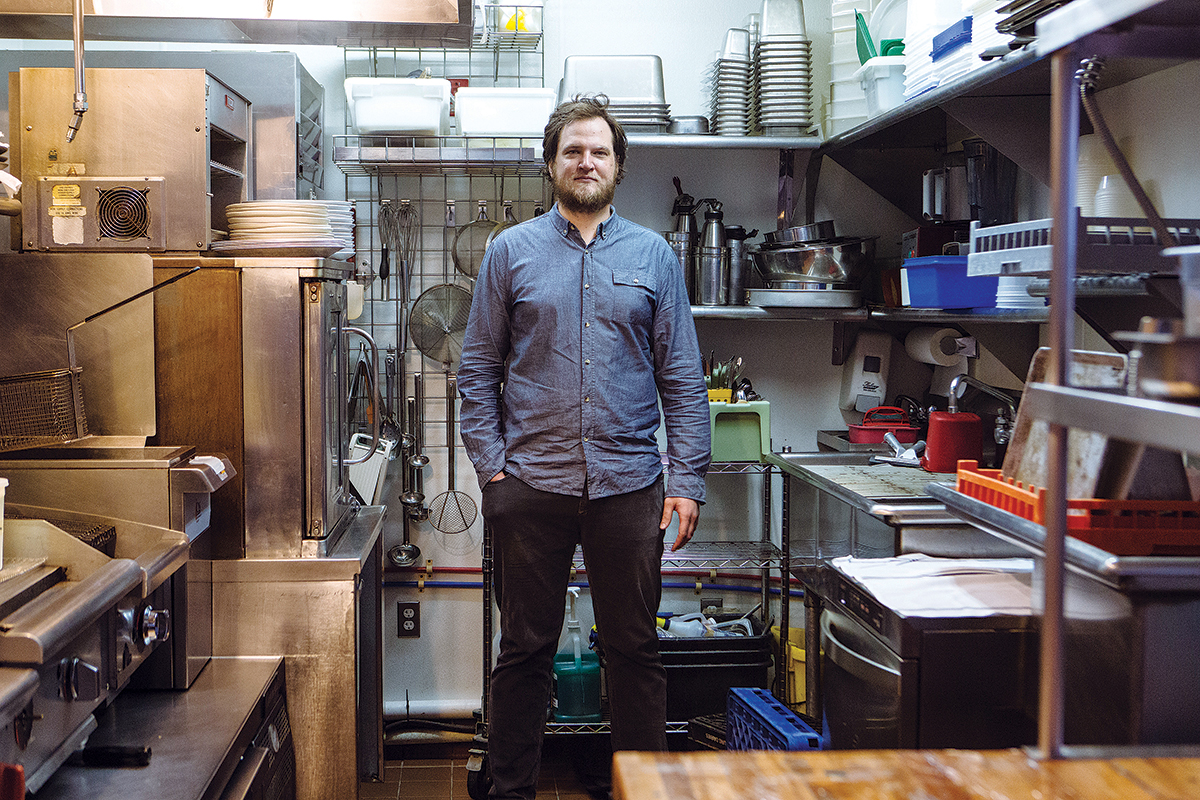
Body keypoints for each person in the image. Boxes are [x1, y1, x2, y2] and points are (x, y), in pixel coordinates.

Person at [457, 95, 711, 800]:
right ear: (551, 163)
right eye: (573, 150)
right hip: (530, 485)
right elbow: (475, 372)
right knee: (524, 653)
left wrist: (685, 479)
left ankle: (645, 792)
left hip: (629, 486)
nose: (586, 161)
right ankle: (512, 793)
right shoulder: (511, 253)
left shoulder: (653, 256)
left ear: (619, 166)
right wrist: (494, 471)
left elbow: (682, 378)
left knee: (634, 652)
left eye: (599, 150)